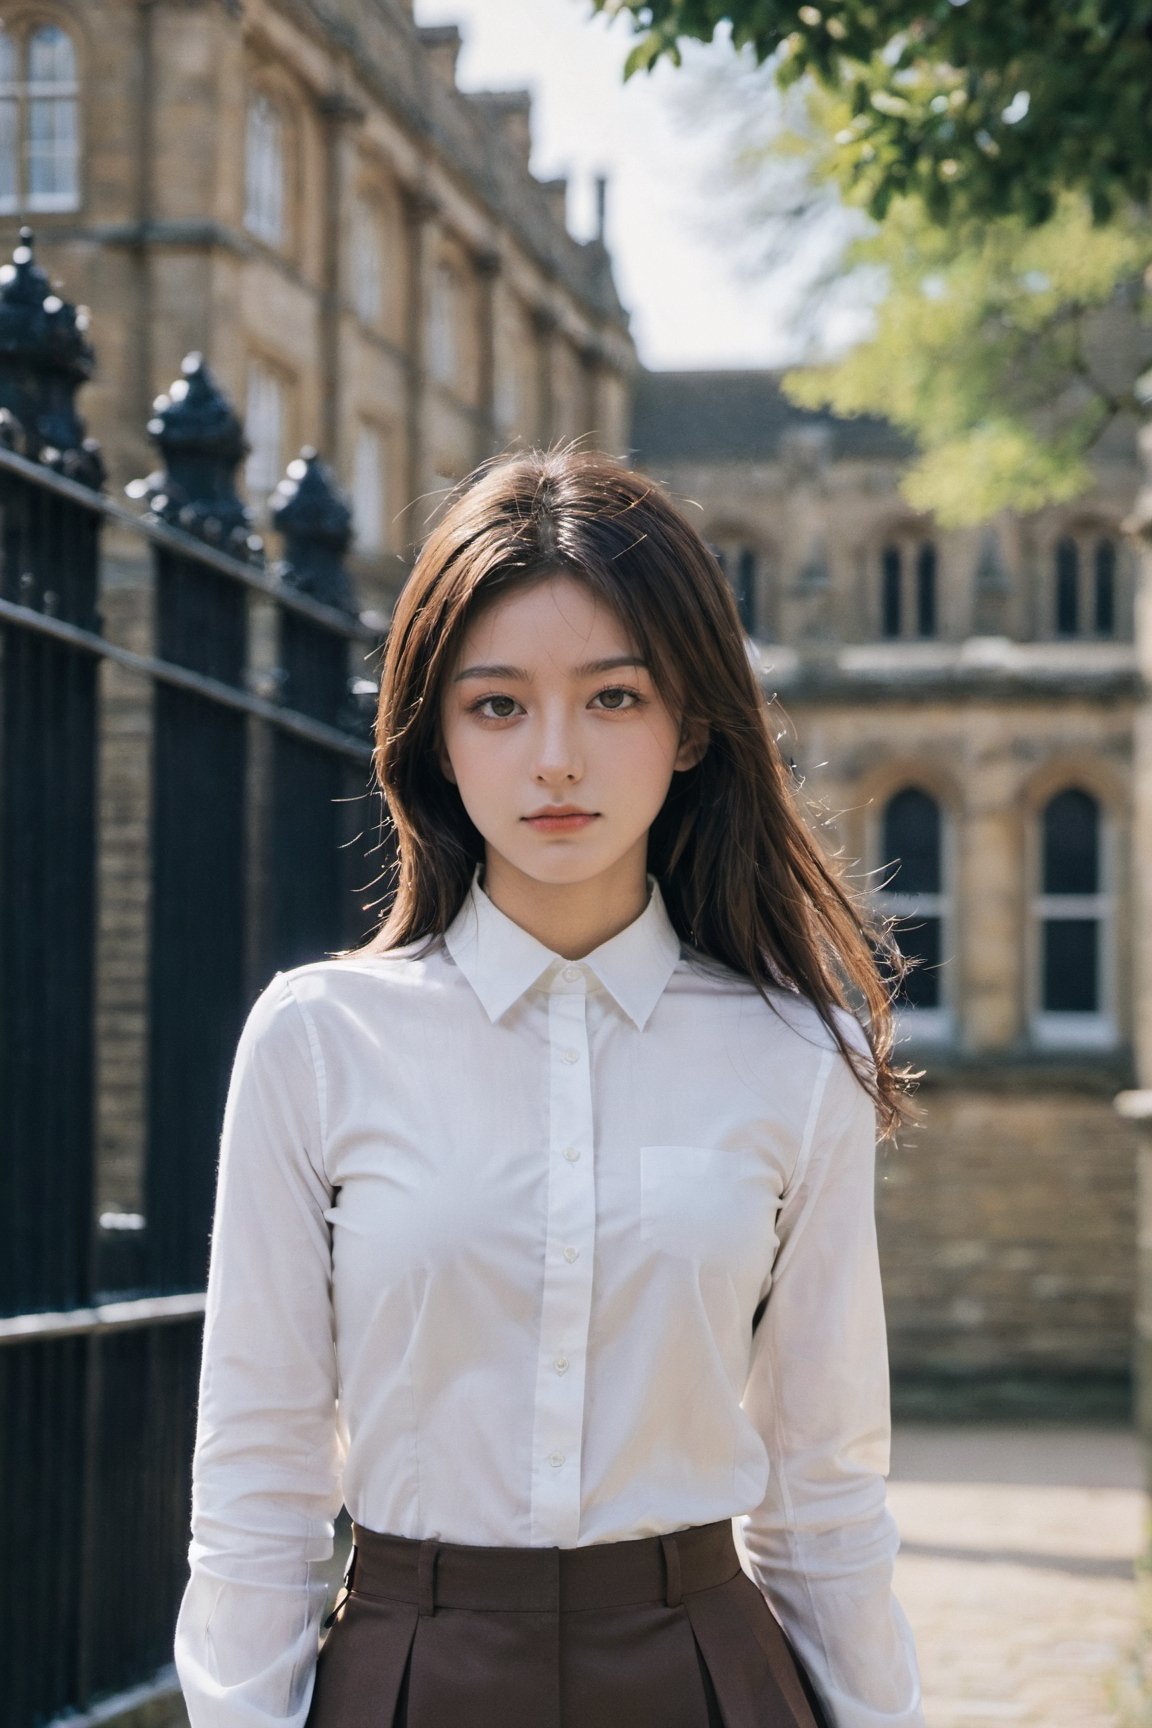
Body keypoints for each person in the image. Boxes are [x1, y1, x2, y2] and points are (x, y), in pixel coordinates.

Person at [174, 448, 926, 1728]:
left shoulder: (797, 1058)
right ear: (436, 737)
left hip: (705, 1677)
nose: (557, 759)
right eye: (499, 705)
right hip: (410, 1674)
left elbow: (825, 1494)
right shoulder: (317, 1043)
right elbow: (259, 1481)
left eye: (614, 698)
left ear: (692, 724)